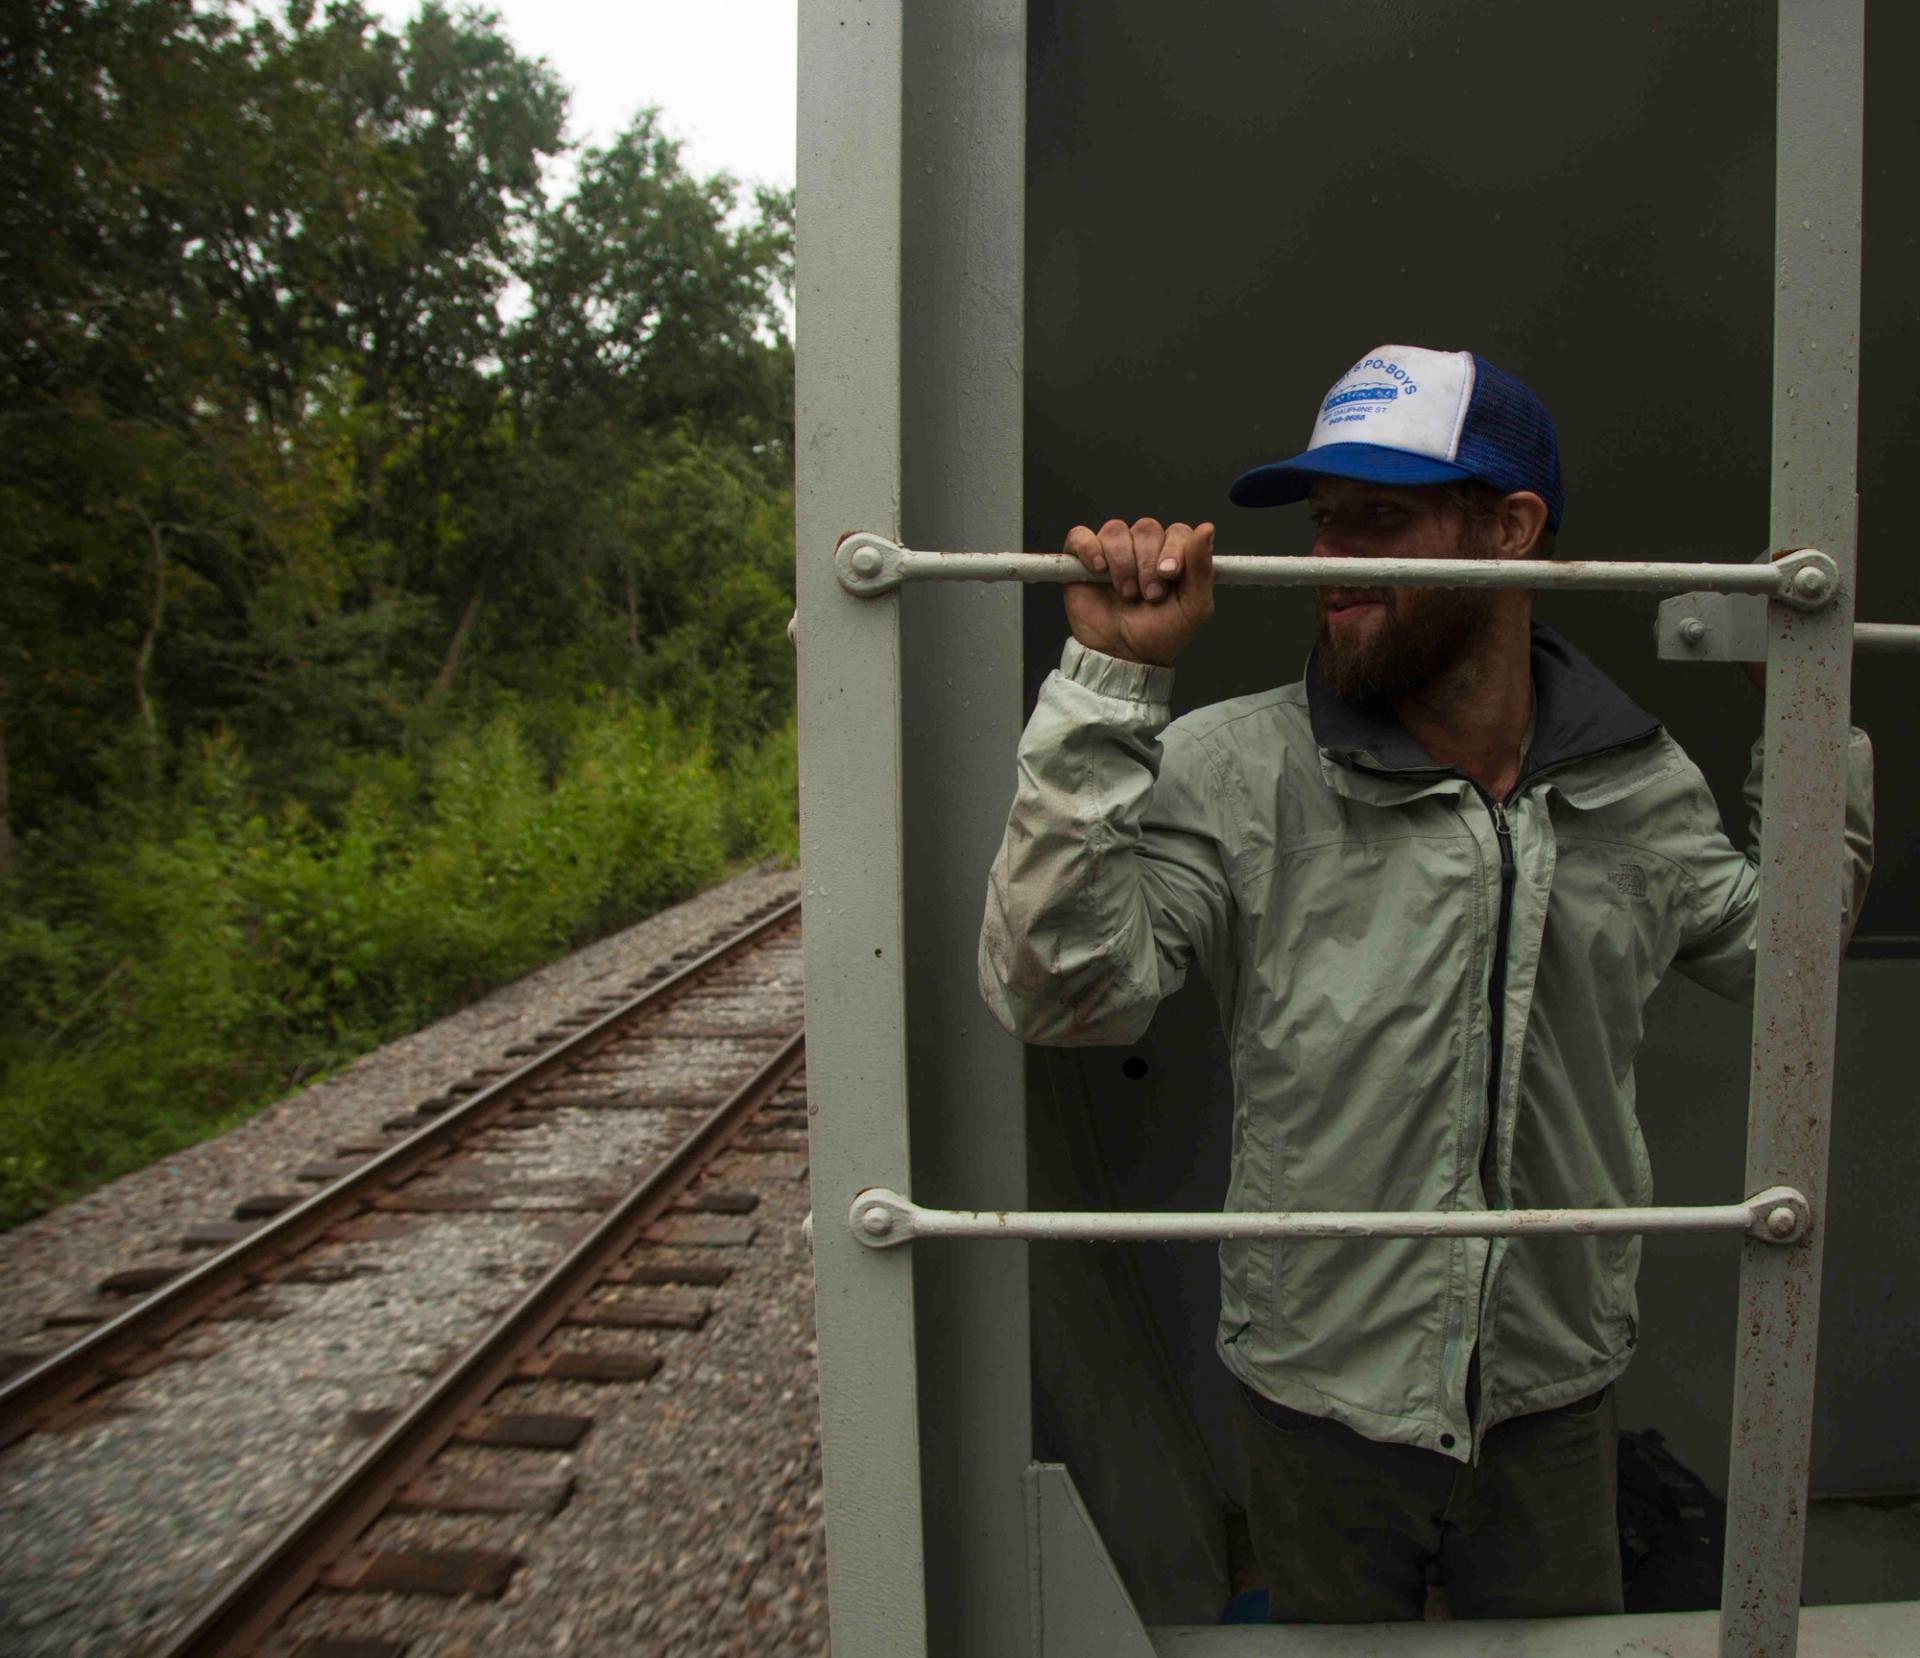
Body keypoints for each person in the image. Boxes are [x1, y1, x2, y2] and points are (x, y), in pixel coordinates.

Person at [976, 344, 1875, 1622]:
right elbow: (1060, 993)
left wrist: (1808, 711)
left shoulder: (1635, 780)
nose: (1331, 561)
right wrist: (1109, 681)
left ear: (1511, 531)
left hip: (1556, 1391)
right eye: (1323, 522)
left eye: (1380, 522)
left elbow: (1783, 964)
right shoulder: (1230, 768)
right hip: (1316, 1393)